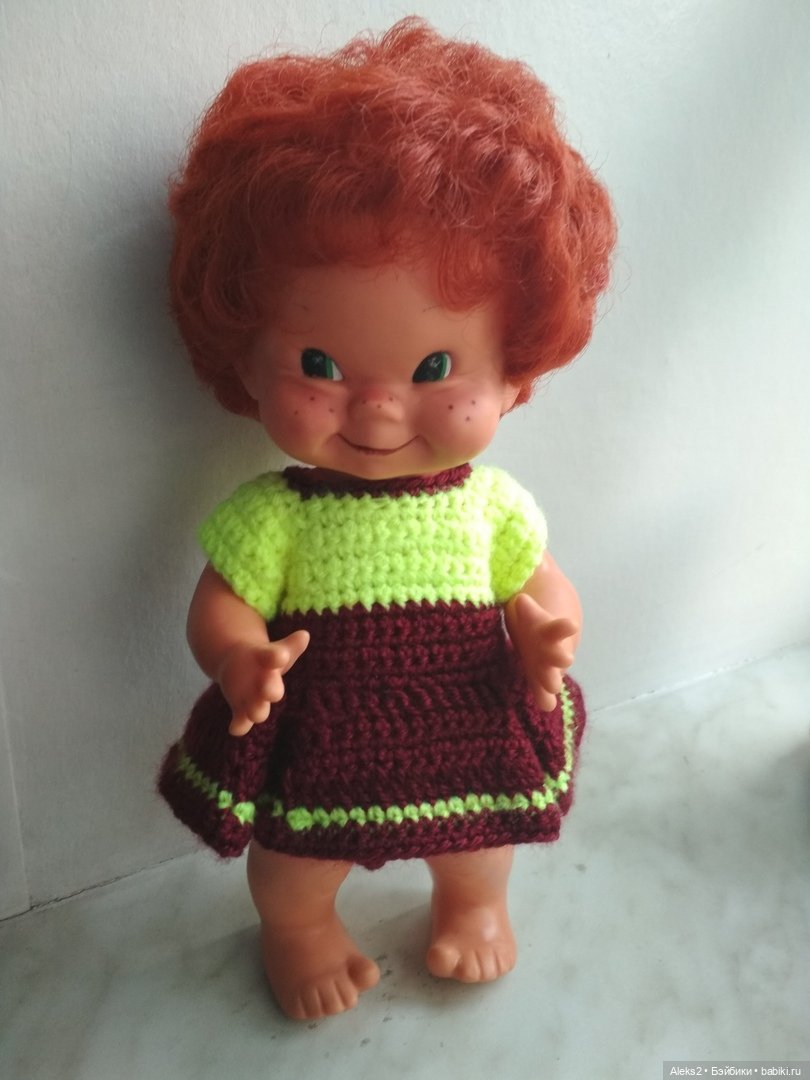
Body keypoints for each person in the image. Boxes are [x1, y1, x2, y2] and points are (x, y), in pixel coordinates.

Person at [158, 17, 615, 1021]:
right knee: (294, 863)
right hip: (322, 744)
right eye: (318, 366)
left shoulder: (490, 506)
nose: (375, 411)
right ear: (243, 359)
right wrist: (237, 657)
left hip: (468, 727)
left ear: (515, 372)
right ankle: (300, 931)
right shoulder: (275, 513)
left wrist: (546, 631)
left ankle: (472, 906)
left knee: (480, 843)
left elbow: (542, 583)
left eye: (435, 368)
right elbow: (221, 602)